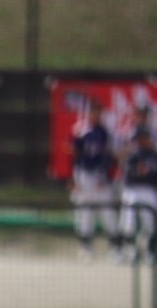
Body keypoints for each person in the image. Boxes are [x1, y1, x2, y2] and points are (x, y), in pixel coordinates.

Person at [69, 96, 121, 261]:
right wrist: (74, 179)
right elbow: (74, 155)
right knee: (85, 212)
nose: (95, 114)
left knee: (108, 212)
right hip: (84, 174)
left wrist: (106, 177)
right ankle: (86, 247)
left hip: (100, 175)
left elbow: (109, 156)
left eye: (98, 111)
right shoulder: (81, 130)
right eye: (92, 111)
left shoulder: (106, 132)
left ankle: (115, 246)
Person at [119, 123, 157, 263]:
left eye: (145, 137)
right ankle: (129, 251)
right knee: (129, 223)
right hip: (133, 190)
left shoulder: (155, 156)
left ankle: (148, 250)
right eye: (140, 138)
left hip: (149, 189)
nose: (142, 140)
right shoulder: (132, 155)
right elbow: (129, 174)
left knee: (151, 222)